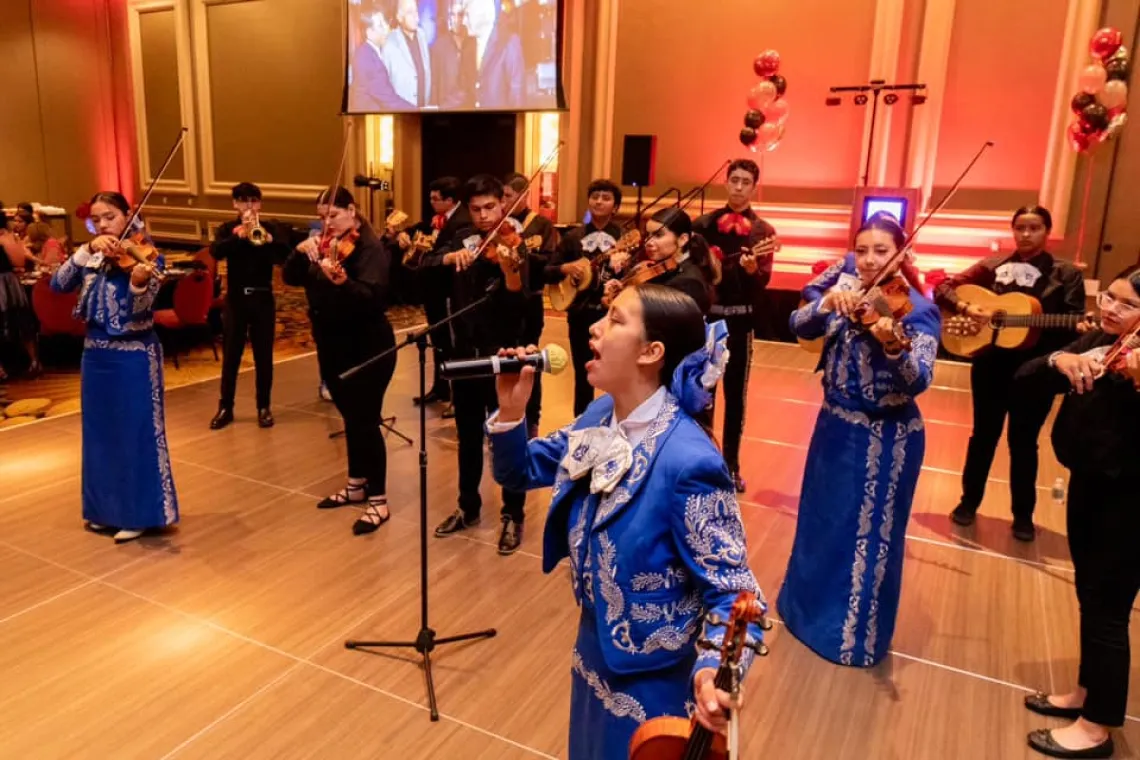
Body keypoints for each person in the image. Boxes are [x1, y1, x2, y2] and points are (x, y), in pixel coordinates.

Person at [487, 284, 765, 759]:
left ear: (651, 352)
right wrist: (511, 411)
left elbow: (737, 593)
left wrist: (709, 670)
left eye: (615, 319)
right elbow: (520, 471)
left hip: (654, 686)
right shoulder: (601, 414)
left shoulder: (688, 462)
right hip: (592, 655)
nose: (594, 327)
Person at [779, 213, 940, 667]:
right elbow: (799, 321)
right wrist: (827, 302)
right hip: (833, 424)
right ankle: (802, 613)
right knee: (819, 524)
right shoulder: (846, 273)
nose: (869, 261)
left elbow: (919, 378)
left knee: (866, 538)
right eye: (863, 249)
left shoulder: (917, 309)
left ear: (901, 254)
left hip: (883, 439)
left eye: (881, 251)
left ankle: (849, 638)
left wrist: (892, 346)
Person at [1015, 267, 1140, 760]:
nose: (1111, 308)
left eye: (1127, 305)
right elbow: (1024, 380)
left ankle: (1097, 728)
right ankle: (1085, 695)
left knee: (1109, 610)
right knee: (1091, 597)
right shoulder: (1100, 340)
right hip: (1092, 487)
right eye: (1108, 296)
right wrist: (1061, 358)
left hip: (1129, 499)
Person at [934, 205, 1085, 542]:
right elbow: (942, 288)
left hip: (1035, 372)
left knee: (1024, 443)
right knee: (982, 437)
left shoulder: (1066, 274)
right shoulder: (991, 267)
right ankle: (968, 502)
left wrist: (1056, 332)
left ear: (1047, 231)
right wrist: (965, 307)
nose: (1025, 234)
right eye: (1020, 228)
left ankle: (1022, 516)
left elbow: (1075, 324)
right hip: (991, 365)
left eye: (1034, 228)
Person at [50, 192, 178, 543]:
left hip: (133, 355)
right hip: (95, 355)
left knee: (135, 434)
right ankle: (104, 511)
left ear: (128, 216)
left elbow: (141, 310)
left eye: (110, 217)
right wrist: (86, 249)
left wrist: (138, 282)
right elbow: (57, 284)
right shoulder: (93, 256)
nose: (104, 225)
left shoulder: (147, 255)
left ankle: (140, 514)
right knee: (100, 435)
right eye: (96, 220)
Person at [423, 174, 529, 554]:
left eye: (490, 207)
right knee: (467, 436)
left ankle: (512, 515)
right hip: (463, 351)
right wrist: (449, 257)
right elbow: (426, 265)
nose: (484, 217)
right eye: (476, 209)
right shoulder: (460, 237)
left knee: (507, 438)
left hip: (502, 355)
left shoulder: (515, 243)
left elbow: (520, 303)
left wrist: (509, 271)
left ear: (503, 204)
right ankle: (467, 506)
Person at [283, 186, 397, 536]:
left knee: (365, 420)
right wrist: (300, 253)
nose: (326, 223)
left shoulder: (368, 248)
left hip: (368, 346)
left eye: (332, 215)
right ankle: (355, 484)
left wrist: (344, 281)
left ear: (352, 210)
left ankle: (378, 500)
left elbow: (374, 299)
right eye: (321, 217)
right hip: (331, 344)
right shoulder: (321, 243)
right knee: (349, 417)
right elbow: (290, 278)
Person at [693, 159, 778, 493]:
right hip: (708, 319)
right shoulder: (703, 225)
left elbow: (763, 284)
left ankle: (730, 464)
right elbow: (697, 275)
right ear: (726, 182)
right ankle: (701, 461)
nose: (739, 187)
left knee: (736, 397)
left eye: (746, 182)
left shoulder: (763, 232)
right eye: (734, 180)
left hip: (740, 322)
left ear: (754, 186)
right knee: (703, 394)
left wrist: (752, 269)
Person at [209, 182, 288, 430]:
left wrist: (269, 239)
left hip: (263, 298)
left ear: (259, 204)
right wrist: (237, 236)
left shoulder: (271, 228)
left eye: (253, 201)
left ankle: (263, 407)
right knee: (231, 355)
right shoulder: (227, 229)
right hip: (236, 299)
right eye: (243, 201)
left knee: (264, 356)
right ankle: (226, 407)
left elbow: (284, 255)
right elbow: (216, 252)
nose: (249, 206)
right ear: (235, 204)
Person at [545, 178, 624, 416]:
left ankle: (615, 425)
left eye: (606, 198)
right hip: (580, 313)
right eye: (595, 196)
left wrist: (624, 267)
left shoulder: (624, 237)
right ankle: (581, 425)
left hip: (613, 316)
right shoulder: (572, 237)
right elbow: (547, 272)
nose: (599, 201)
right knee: (583, 373)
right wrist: (566, 269)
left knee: (617, 374)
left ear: (616, 207)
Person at [503, 171, 558, 438]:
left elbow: (547, 263)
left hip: (530, 301)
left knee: (529, 359)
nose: (504, 202)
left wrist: (522, 250)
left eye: (509, 196)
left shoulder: (540, 226)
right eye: (502, 196)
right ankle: (504, 416)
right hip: (502, 304)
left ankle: (532, 421)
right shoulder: (498, 224)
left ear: (524, 196)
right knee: (503, 359)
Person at [415, 176, 469, 414]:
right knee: (438, 342)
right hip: (435, 290)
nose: (431, 202)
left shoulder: (462, 221)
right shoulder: (440, 219)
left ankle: (458, 397)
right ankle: (440, 387)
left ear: (450, 200)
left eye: (436, 199)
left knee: (452, 344)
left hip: (450, 291)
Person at [604, 207, 716, 314]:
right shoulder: (664, 268)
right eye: (648, 235)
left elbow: (657, 322)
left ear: (682, 239)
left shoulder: (689, 282)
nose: (648, 242)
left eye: (658, 235)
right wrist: (623, 287)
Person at [0, 212, 42, 379]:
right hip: (10, 282)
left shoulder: (5, 238)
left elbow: (18, 262)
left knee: (18, 322)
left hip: (3, 283)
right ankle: (33, 362)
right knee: (21, 322)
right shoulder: (12, 237)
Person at [350, 8, 417, 112]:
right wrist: (418, 111)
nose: (387, 28)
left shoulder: (367, 52)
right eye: (381, 25)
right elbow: (389, 100)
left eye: (385, 23)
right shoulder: (367, 58)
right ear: (369, 33)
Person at [464, 0, 524, 108]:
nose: (463, 22)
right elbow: (463, 90)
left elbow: (517, 96)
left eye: (467, 15)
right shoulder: (468, 47)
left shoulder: (509, 43)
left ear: (481, 15)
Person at [383, 0, 432, 109]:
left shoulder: (422, 36)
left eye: (416, 11)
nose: (416, 17)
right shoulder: (389, 43)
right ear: (399, 17)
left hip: (423, 109)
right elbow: (384, 85)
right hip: (402, 112)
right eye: (410, 12)